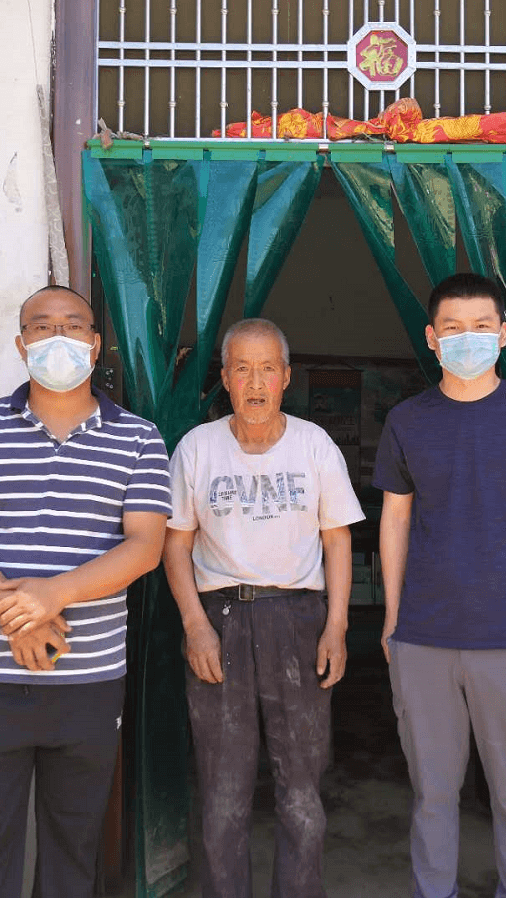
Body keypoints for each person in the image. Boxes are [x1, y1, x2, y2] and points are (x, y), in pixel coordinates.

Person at [0, 285, 172, 898]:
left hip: (88, 683)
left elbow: (145, 546)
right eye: (41, 327)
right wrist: (20, 614)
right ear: (21, 344)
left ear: (95, 344)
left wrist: (54, 595)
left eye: (72, 326)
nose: (57, 338)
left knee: (73, 856)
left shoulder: (140, 438)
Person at [373, 273, 506, 898]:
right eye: (454, 328)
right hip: (424, 635)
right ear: (431, 338)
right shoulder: (407, 420)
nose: (469, 338)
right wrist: (392, 616)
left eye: (482, 326)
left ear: (504, 335)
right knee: (432, 794)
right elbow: (395, 520)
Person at [163, 318, 364, 898]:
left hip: (297, 619)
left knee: (301, 792)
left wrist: (337, 625)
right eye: (243, 370)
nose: (256, 383)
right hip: (219, 620)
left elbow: (337, 541)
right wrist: (194, 625)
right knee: (223, 793)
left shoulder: (314, 445)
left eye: (267, 369)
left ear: (286, 377)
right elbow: (175, 545)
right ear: (225, 378)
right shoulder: (197, 448)